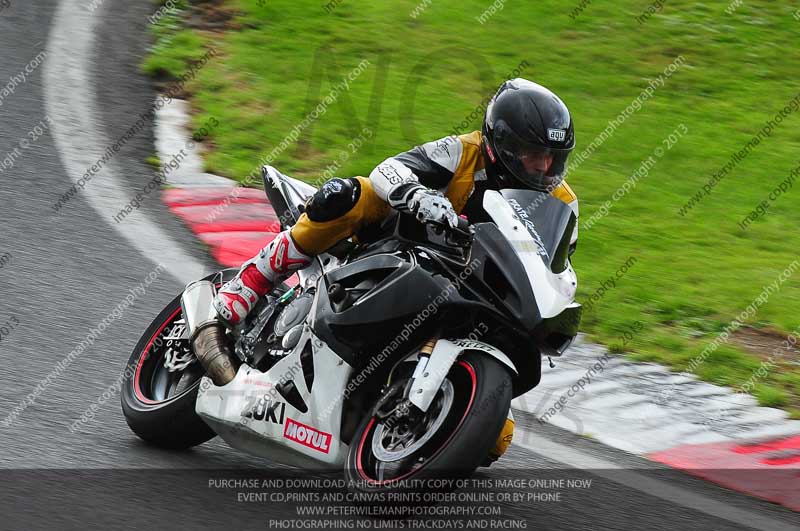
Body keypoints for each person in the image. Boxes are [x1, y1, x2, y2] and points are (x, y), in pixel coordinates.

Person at [212, 78, 579, 462]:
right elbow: (390, 169)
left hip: (469, 283)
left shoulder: (564, 201)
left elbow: (555, 262)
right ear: (500, 143)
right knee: (350, 195)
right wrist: (418, 196)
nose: (544, 166)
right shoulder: (462, 151)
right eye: (533, 153)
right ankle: (251, 281)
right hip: (402, 242)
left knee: (494, 438)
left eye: (554, 157)